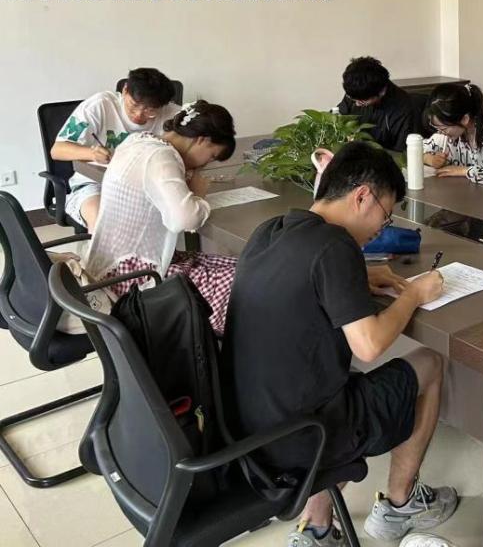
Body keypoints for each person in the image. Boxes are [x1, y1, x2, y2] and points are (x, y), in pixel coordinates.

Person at [221, 141, 459, 547]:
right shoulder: (336, 245)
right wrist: (414, 294)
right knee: (430, 364)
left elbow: (302, 280)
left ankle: (317, 528)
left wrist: (359, 277)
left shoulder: (272, 230)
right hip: (303, 438)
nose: (381, 229)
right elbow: (369, 346)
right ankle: (400, 503)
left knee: (333, 386)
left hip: (247, 428)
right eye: (385, 216)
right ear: (361, 196)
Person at [84, 101, 238, 334]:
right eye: (211, 156)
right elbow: (183, 220)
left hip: (111, 268)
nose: (206, 164)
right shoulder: (162, 157)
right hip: (136, 282)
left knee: (244, 267)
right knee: (246, 282)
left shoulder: (138, 141)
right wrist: (198, 195)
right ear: (202, 140)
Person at [50, 67, 179, 230]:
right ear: (125, 90)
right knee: (101, 224)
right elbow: (58, 150)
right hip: (96, 184)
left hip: (147, 188)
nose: (139, 115)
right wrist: (91, 153)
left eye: (150, 111)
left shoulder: (173, 115)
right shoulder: (100, 105)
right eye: (134, 105)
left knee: (174, 219)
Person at [337, 56, 421, 151]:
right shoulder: (357, 91)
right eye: (352, 98)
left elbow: (402, 153)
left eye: (362, 101)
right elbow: (338, 117)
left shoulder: (404, 110)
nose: (357, 104)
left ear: (381, 92)